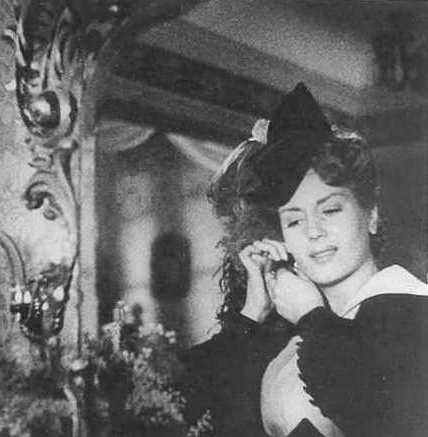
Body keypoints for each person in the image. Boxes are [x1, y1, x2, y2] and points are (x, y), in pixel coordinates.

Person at [180, 83, 428, 437]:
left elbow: (376, 410)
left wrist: (312, 316)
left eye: (330, 209)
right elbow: (188, 403)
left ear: (371, 215)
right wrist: (252, 313)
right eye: (295, 220)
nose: (313, 231)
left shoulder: (413, 311)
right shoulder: (297, 333)